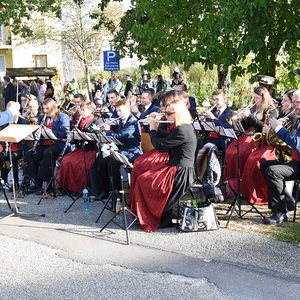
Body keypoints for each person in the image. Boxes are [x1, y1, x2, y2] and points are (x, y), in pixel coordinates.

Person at [130, 96, 197, 232]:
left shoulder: (182, 130)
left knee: (144, 180)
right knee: (142, 173)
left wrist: (153, 130)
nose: (166, 116)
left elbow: (160, 145)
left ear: (178, 113)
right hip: (175, 167)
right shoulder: (182, 127)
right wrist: (151, 126)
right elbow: (166, 136)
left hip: (180, 171)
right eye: (165, 113)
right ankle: (149, 215)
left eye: (169, 113)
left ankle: (154, 217)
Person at [226, 86, 278, 205]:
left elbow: (263, 127)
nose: (255, 101)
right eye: (254, 98)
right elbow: (244, 127)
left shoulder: (270, 110)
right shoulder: (255, 109)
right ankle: (234, 186)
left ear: (264, 98)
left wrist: (250, 116)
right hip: (247, 136)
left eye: (257, 98)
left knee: (244, 154)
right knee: (231, 151)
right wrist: (241, 119)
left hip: (259, 139)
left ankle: (245, 188)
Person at [260, 89, 300, 224]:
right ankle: (287, 202)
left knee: (273, 172)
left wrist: (278, 128)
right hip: (296, 161)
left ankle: (281, 212)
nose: (294, 105)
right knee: (265, 165)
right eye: (293, 102)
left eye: (296, 102)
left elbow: (296, 143)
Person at [89, 98, 142, 198]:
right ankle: (107, 191)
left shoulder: (132, 122)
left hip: (132, 153)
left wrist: (108, 130)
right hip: (123, 152)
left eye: (120, 111)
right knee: (102, 163)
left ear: (128, 109)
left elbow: (120, 138)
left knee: (112, 164)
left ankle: (118, 193)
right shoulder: (122, 121)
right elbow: (116, 140)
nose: (118, 113)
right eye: (117, 111)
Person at [24, 98, 70, 194]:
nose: (45, 111)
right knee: (30, 154)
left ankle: (46, 183)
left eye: (47, 108)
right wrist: (36, 132)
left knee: (48, 153)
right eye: (43, 109)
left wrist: (51, 132)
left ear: (53, 108)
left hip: (58, 144)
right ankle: (35, 182)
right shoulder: (41, 118)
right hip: (44, 143)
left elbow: (66, 133)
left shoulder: (62, 117)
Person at [57, 102, 100, 194]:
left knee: (80, 165)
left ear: (90, 111)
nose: (80, 112)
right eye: (80, 109)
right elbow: (77, 141)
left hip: (91, 149)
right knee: (66, 160)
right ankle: (68, 188)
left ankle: (80, 189)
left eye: (83, 109)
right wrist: (72, 137)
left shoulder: (96, 121)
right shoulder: (80, 121)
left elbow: (96, 138)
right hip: (81, 149)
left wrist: (82, 135)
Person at [0, 101, 30, 189]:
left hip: (19, 148)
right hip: (6, 147)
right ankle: (4, 182)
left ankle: (15, 184)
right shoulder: (4, 123)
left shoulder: (24, 122)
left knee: (12, 157)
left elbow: (26, 140)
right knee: (1, 156)